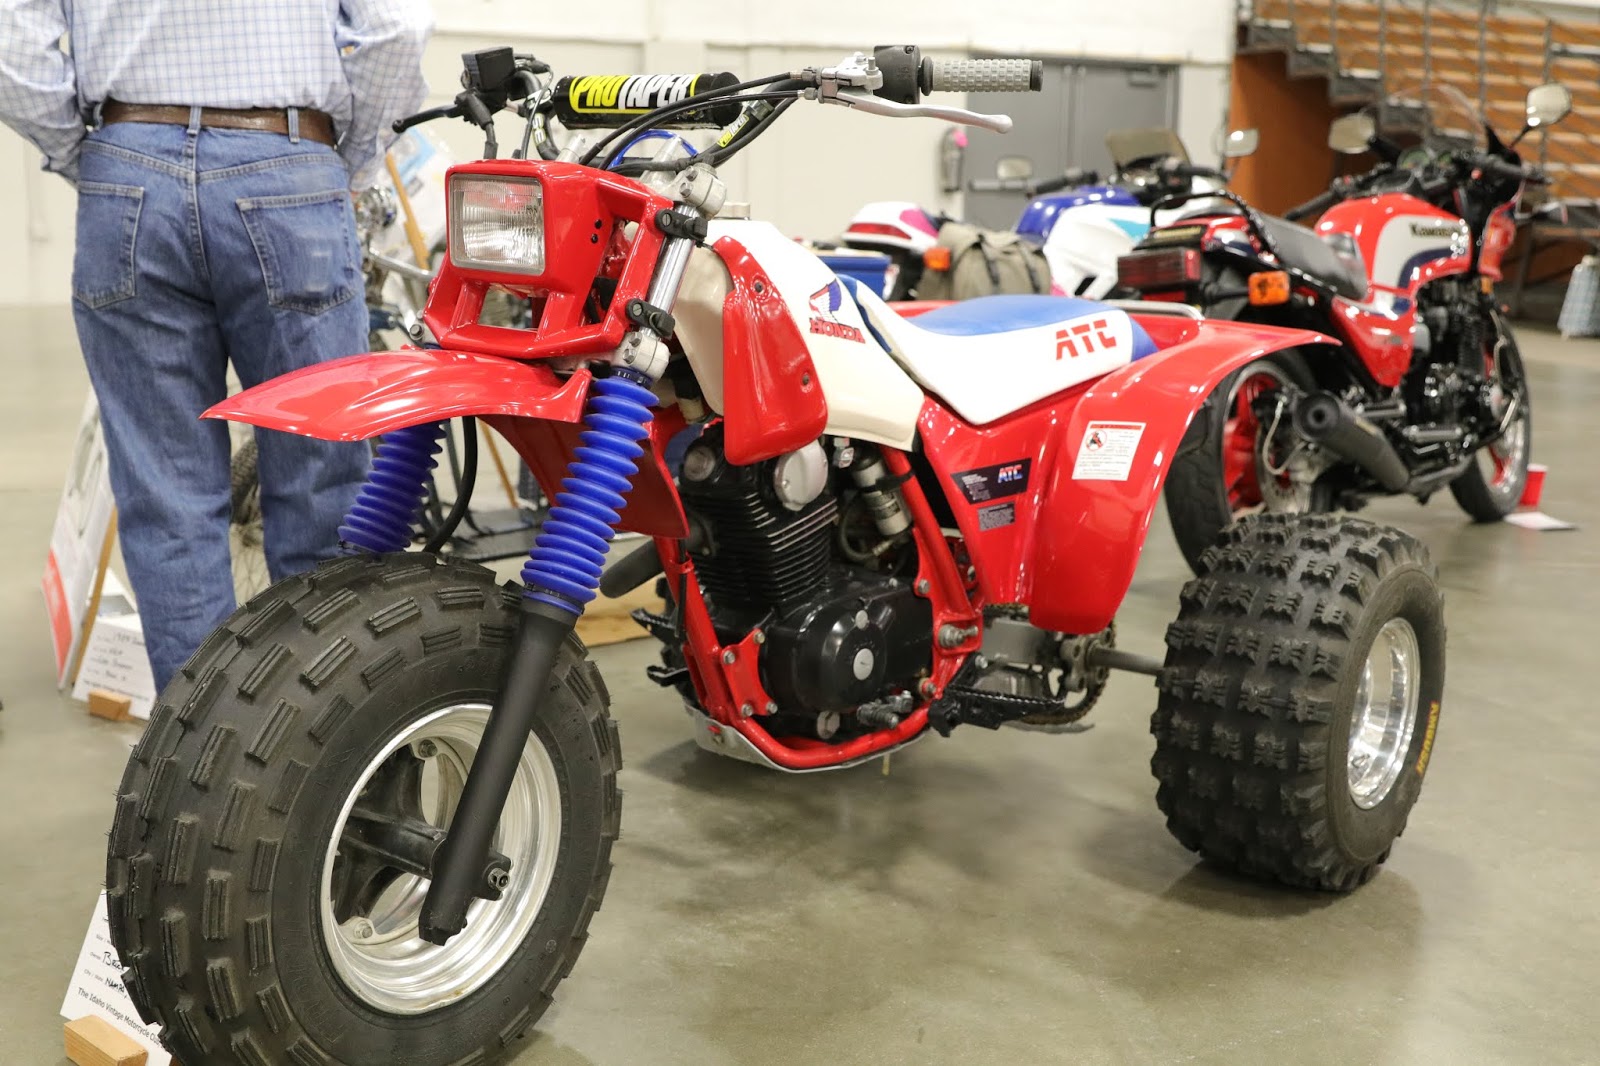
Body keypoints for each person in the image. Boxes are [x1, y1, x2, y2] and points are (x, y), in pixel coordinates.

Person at [0, 0, 433, 692]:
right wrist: (344, 159)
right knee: (322, 484)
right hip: (288, 160)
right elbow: (395, 30)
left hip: (129, 162)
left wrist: (94, 156)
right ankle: (332, 750)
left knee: (167, 500)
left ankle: (201, 769)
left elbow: (13, 48)